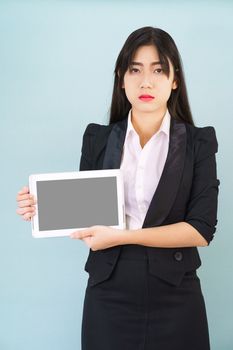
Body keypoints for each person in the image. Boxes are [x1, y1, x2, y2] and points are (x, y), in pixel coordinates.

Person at [16, 26, 220, 350]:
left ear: (175, 79)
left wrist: (124, 236)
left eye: (158, 70)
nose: (146, 82)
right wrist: (42, 206)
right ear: (121, 79)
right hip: (109, 292)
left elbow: (201, 230)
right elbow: (87, 215)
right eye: (135, 70)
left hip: (177, 294)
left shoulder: (199, 143)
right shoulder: (98, 139)